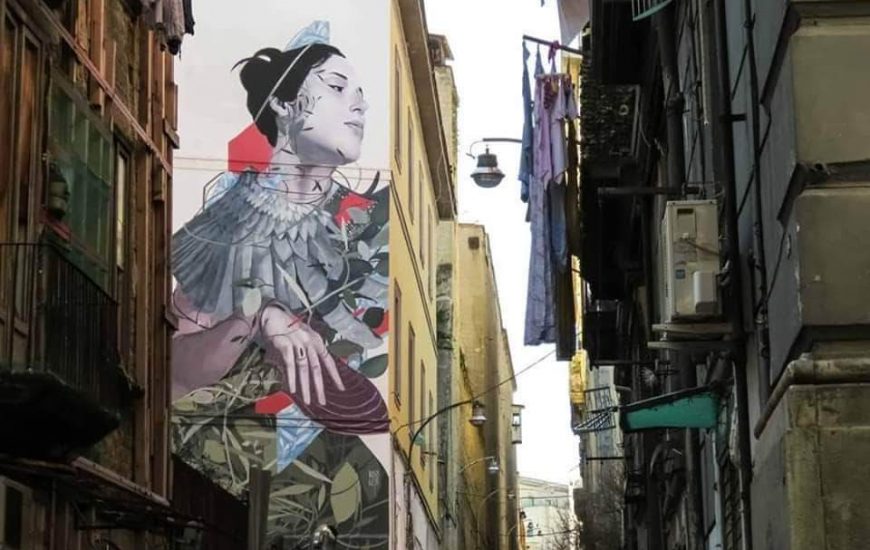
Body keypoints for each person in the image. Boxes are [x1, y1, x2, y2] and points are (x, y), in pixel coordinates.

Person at [171, 23, 390, 547]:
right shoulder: (222, 218)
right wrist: (260, 314)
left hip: (328, 476)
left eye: (361, 93)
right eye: (337, 87)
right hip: (217, 471)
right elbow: (177, 372)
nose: (359, 104)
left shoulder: (369, 224)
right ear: (284, 105)